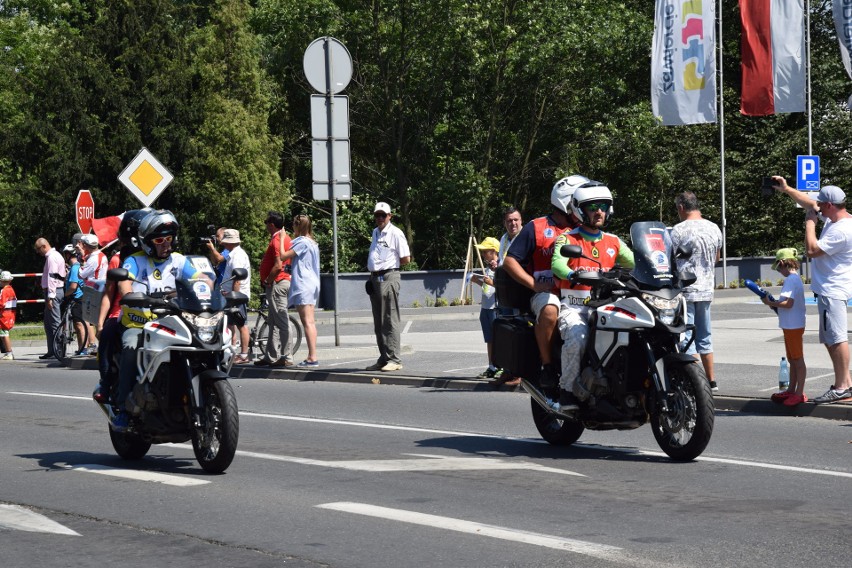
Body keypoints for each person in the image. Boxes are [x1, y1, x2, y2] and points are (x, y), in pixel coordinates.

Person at [112, 210, 202, 429]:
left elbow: (202, 282)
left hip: (173, 324)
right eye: (159, 240)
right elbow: (125, 284)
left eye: (168, 239)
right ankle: (123, 407)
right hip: (139, 324)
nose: (165, 244)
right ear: (147, 242)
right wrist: (131, 295)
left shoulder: (180, 261)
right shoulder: (135, 261)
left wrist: (214, 292)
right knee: (131, 346)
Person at [552, 182, 634, 409]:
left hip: (608, 305)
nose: (599, 211)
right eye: (593, 207)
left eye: (603, 206)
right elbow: (557, 263)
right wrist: (572, 273)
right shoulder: (568, 239)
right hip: (576, 306)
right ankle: (567, 391)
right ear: (580, 210)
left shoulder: (614, 241)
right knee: (578, 337)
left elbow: (637, 262)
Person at [772, 177, 852, 403]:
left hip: (833, 290)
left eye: (821, 205)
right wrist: (787, 189)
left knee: (836, 338)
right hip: (829, 290)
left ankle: (842, 386)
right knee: (830, 338)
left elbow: (811, 250)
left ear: (830, 205)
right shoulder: (836, 218)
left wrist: (810, 223)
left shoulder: (842, 230)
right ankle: (845, 383)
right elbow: (809, 203)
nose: (817, 208)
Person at [501, 175, 583, 390]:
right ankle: (547, 366)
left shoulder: (585, 227)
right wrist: (534, 285)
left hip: (581, 293)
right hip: (548, 293)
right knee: (549, 309)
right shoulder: (536, 227)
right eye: (578, 200)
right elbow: (510, 261)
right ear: (566, 202)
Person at [93, 208, 148, 404]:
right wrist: (100, 323)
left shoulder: (160, 257)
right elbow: (109, 293)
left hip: (154, 313)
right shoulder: (118, 259)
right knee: (108, 336)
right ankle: (106, 383)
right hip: (121, 313)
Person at [670, 191, 722, 392]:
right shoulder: (714, 228)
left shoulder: (679, 230)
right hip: (707, 289)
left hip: (686, 292)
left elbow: (670, 260)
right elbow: (717, 258)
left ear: (681, 208)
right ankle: (711, 380)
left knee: (687, 339)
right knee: (705, 337)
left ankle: (694, 384)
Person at [366, 201, 411, 372]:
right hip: (376, 277)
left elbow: (406, 258)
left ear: (389, 216)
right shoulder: (375, 232)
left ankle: (395, 358)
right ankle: (384, 357)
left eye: (383, 215)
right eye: (377, 215)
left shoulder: (395, 233)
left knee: (390, 319)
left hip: (389, 276)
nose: (379, 218)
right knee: (379, 321)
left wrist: (388, 268)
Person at [762, 248, 808, 406]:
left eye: (778, 267)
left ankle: (799, 393)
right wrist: (776, 305)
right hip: (791, 324)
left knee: (797, 359)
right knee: (792, 359)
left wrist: (771, 302)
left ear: (782, 263)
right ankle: (792, 390)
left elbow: (788, 303)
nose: (779, 271)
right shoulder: (795, 279)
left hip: (793, 325)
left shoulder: (790, 280)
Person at [280, 214, 321, 367]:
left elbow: (284, 256)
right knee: (310, 322)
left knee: (307, 322)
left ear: (298, 226)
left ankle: (312, 357)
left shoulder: (302, 243)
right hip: (311, 284)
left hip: (304, 284)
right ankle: (312, 355)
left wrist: (283, 237)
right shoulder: (312, 243)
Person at [255, 211, 294, 367]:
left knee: (282, 321)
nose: (265, 225)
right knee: (273, 321)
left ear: (271, 224)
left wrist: (267, 280)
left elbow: (278, 265)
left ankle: (287, 356)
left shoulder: (278, 240)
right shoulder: (283, 238)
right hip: (278, 282)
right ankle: (271, 356)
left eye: (266, 222)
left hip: (277, 283)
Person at [219, 229, 252, 364]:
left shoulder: (237, 255)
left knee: (241, 324)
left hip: (237, 296)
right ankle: (231, 351)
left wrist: (233, 296)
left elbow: (237, 279)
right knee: (231, 323)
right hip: (231, 295)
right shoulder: (233, 254)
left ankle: (244, 355)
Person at [470, 237, 501, 379]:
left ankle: (501, 366)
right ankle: (491, 366)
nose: (482, 254)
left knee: (498, 339)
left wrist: (492, 283)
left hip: (496, 308)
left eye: (485, 251)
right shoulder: (488, 267)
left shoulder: (501, 267)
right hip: (486, 308)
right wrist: (478, 282)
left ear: (494, 251)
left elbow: (504, 287)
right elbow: (487, 288)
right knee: (489, 339)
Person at [34, 237, 66, 360]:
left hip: (53, 292)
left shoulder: (52, 257)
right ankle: (52, 350)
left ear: (43, 246)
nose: (38, 252)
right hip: (54, 291)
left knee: (54, 323)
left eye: (38, 249)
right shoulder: (54, 256)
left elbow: (52, 278)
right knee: (48, 323)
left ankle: (58, 351)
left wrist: (50, 297)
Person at [77, 233, 107, 354]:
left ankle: (95, 344)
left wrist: (81, 260)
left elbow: (81, 274)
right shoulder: (101, 255)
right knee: (96, 320)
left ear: (85, 245)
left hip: (93, 290)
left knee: (88, 318)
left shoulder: (93, 259)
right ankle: (99, 345)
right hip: (99, 288)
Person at [60, 244, 87, 355]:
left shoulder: (75, 268)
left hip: (77, 298)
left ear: (67, 255)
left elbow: (73, 287)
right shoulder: (74, 267)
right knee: (77, 324)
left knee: (79, 324)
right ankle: (81, 348)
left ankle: (83, 349)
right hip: (77, 298)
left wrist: (64, 295)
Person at [0, 271, 17, 360]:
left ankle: (9, 352)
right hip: (10, 314)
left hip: (3, 316)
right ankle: (8, 352)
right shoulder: (11, 290)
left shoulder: (4, 291)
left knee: (4, 334)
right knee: (3, 333)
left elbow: (1, 304)